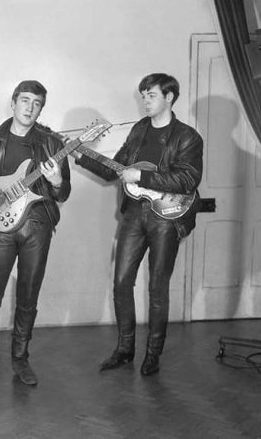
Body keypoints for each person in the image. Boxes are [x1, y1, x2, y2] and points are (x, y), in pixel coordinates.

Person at [72, 73, 203, 376]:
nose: (145, 100)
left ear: (169, 98)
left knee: (157, 287)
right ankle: (124, 349)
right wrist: (81, 154)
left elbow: (187, 179)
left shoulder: (187, 137)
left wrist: (142, 177)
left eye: (152, 95)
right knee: (121, 283)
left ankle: (153, 355)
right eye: (143, 94)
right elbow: (114, 169)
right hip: (133, 214)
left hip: (166, 218)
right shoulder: (139, 131)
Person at [0, 80, 71, 386]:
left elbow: (64, 193)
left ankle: (21, 359)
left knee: (28, 295)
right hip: (1, 226)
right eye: (25, 101)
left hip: (37, 225)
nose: (30, 108)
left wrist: (58, 180)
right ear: (13, 102)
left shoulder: (51, 143)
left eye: (37, 103)